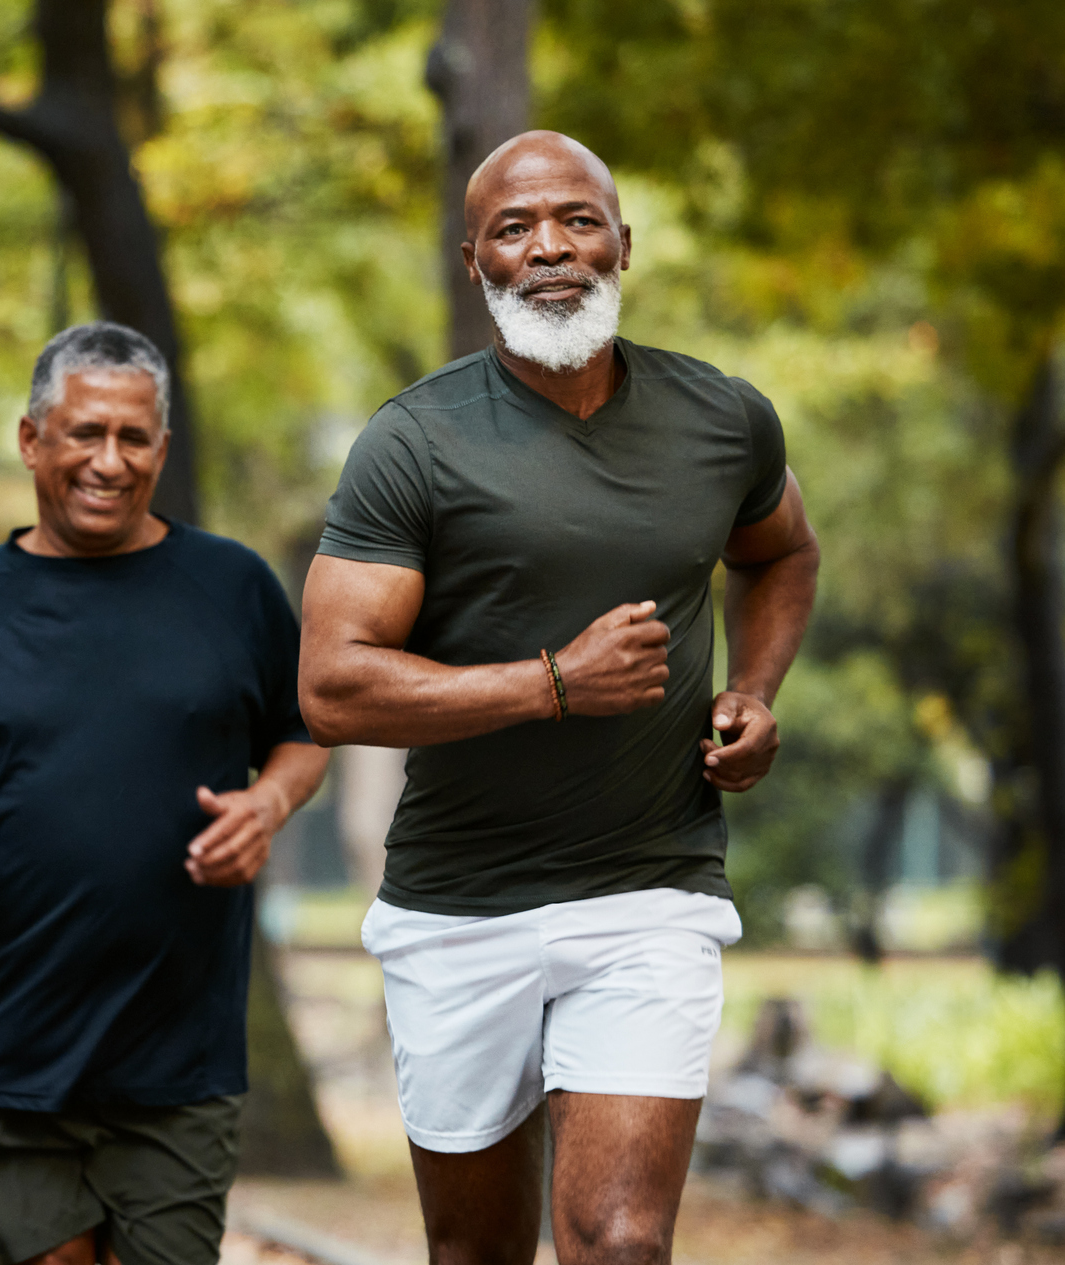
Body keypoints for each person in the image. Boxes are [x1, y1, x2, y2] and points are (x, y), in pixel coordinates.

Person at [298, 131, 820, 1265]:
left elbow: (781, 551)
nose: (550, 248)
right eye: (514, 228)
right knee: (477, 1251)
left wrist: (756, 690)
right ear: (473, 260)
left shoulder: (722, 417)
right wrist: (549, 685)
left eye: (577, 219)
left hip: (649, 891)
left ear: (621, 243)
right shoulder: (413, 442)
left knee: (621, 1241)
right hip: (458, 904)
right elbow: (331, 684)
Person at [0, 322, 330, 1265]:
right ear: (32, 439)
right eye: (84, 433)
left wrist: (268, 805)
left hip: (180, 1050)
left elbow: (302, 728)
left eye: (132, 437)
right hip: (10, 1043)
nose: (108, 462)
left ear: (162, 446)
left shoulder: (231, 586)